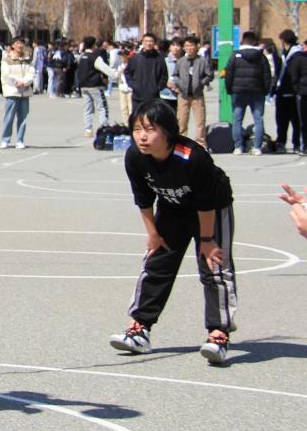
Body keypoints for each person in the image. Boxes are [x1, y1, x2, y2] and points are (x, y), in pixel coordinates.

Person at [110, 100, 236, 366]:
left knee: (213, 265)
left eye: (150, 129)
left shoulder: (192, 157)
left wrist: (207, 240)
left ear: (168, 131)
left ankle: (218, 334)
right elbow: (143, 198)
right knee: (156, 263)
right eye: (136, 129)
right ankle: (139, 328)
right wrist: (153, 233)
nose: (142, 136)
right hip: (172, 207)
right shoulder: (135, 156)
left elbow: (206, 202)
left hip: (211, 209)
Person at [225, 30, 272, 155]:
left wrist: (230, 89)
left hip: (238, 92)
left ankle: (238, 147)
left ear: (242, 41)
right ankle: (257, 147)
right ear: (254, 41)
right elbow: (267, 75)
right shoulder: (261, 56)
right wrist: (266, 90)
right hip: (257, 92)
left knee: (237, 120)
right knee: (258, 119)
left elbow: (229, 74)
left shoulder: (235, 55)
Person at [174, 35, 212, 149]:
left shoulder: (202, 61)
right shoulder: (181, 61)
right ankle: (181, 144)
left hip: (197, 95)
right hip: (183, 95)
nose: (189, 48)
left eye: (191, 45)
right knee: (182, 121)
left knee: (200, 121)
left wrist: (201, 82)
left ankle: (201, 144)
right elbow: (175, 75)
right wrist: (179, 84)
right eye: (186, 46)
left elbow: (209, 75)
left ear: (196, 47)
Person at [0, 37, 35, 149]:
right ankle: (5, 139)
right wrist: (17, 83)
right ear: (13, 45)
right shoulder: (6, 60)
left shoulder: (27, 59)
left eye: (22, 43)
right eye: (18, 43)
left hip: (25, 91)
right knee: (9, 117)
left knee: (23, 117)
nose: (20, 45)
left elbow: (31, 73)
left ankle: (20, 140)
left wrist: (25, 82)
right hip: (12, 91)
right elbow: (6, 75)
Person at [123, 33, 168, 116]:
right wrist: (133, 85)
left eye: (151, 41)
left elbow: (164, 76)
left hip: (154, 96)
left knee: (153, 118)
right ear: (142, 43)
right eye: (146, 41)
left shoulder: (159, 59)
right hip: (138, 96)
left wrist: (158, 88)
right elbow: (127, 72)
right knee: (137, 118)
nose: (148, 43)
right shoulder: (135, 58)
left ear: (154, 43)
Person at [75, 36, 111, 137]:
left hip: (84, 86)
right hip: (95, 85)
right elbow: (105, 68)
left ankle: (88, 129)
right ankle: (104, 128)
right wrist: (116, 74)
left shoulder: (82, 57)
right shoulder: (95, 57)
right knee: (102, 107)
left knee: (88, 108)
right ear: (94, 45)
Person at [274, 30, 302, 154]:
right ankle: (285, 143)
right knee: (285, 120)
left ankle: (293, 143)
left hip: (292, 91)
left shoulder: (296, 55)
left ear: (284, 41)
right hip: (284, 92)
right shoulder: (286, 53)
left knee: (293, 121)